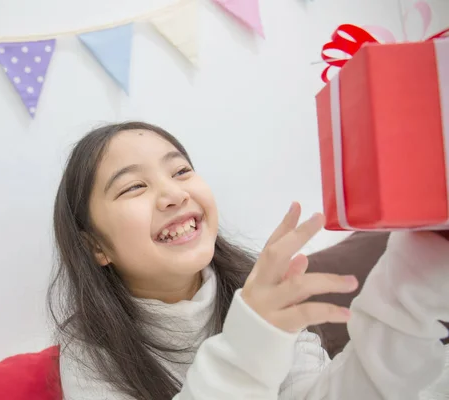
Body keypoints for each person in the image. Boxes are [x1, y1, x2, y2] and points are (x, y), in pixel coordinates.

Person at [47, 121, 449, 399]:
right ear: (95, 247)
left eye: (181, 171)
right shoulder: (89, 352)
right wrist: (251, 337)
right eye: (134, 187)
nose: (173, 194)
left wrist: (408, 284)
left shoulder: (260, 292)